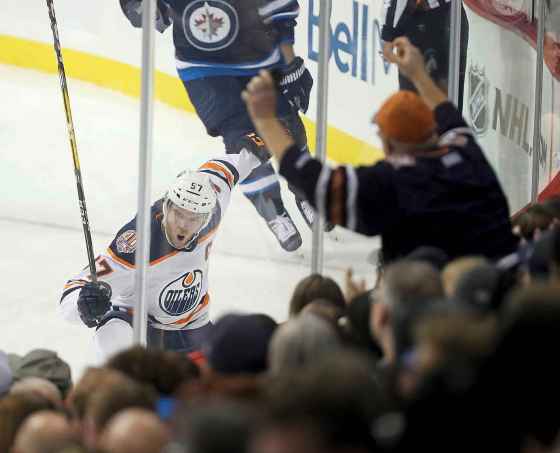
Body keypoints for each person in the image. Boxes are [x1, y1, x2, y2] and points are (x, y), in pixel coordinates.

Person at [242, 37, 519, 263]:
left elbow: (315, 182)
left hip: (449, 309)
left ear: (389, 144)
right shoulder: (466, 149)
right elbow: (445, 111)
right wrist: (418, 74)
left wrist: (265, 120)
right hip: (507, 278)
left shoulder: (392, 183)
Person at [119, 0, 316, 252]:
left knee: (287, 126)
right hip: (204, 72)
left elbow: (281, 11)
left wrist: (290, 64)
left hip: (259, 56)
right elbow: (146, 17)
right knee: (241, 141)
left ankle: (306, 190)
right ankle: (273, 210)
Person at [59, 150, 259, 361]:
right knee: (112, 333)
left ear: (206, 218)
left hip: (192, 326)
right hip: (138, 324)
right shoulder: (137, 244)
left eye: (193, 218)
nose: (183, 224)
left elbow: (231, 165)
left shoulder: (214, 201)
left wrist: (271, 133)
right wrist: (83, 304)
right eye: (178, 213)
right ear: (166, 206)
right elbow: (73, 292)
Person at [381, 0, 469, 112]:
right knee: (451, 94)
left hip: (426, 23)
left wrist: (388, 33)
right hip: (454, 16)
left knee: (419, 102)